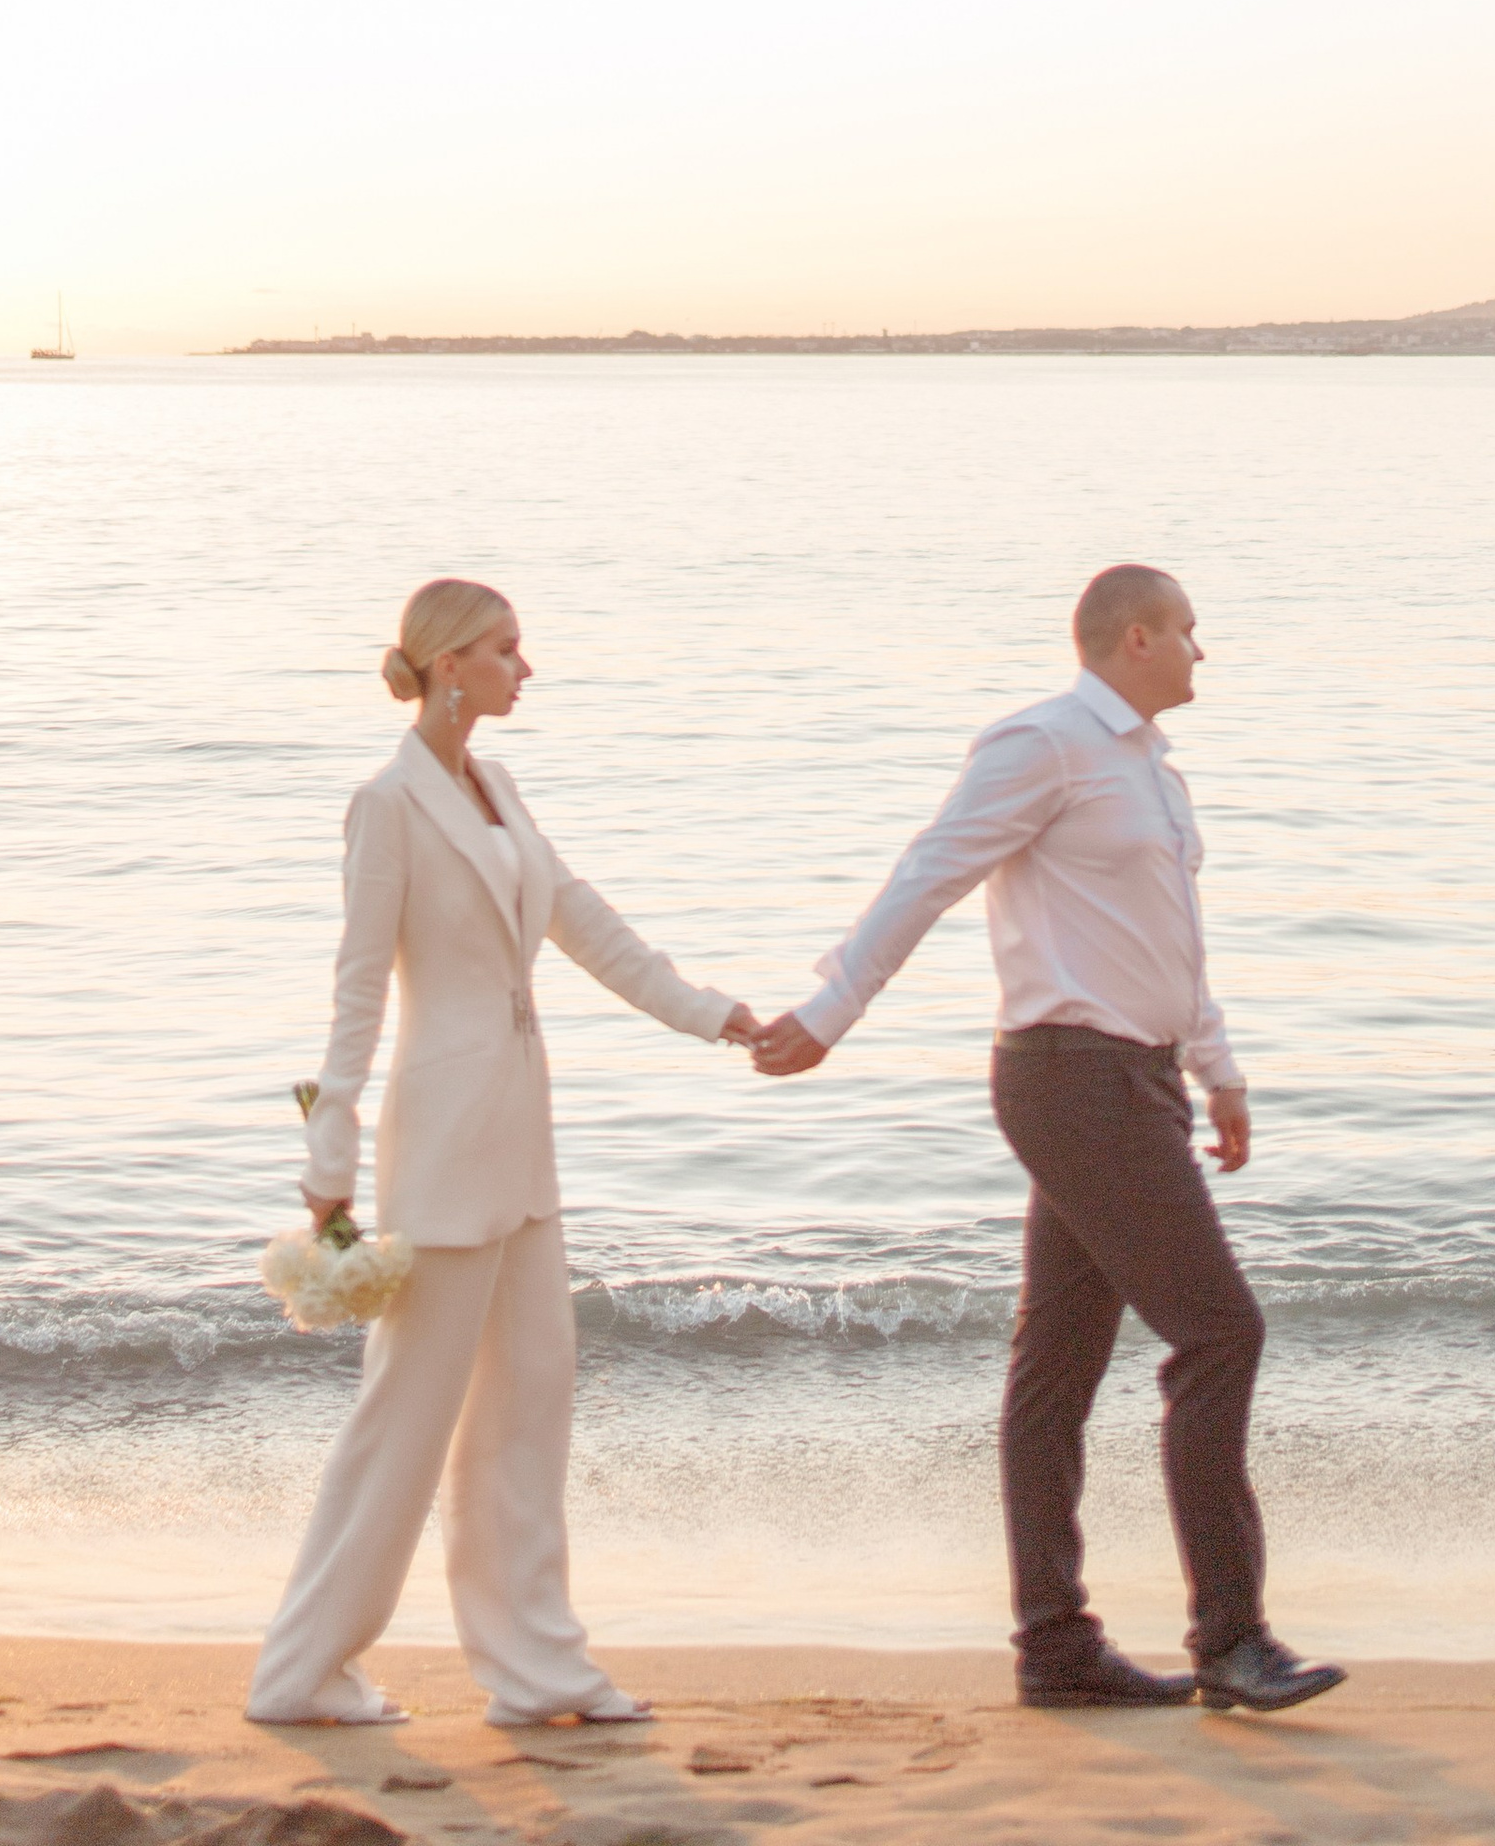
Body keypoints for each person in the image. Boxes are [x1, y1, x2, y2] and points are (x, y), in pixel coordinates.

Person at [750, 564, 1343, 1717]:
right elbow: (930, 872)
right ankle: (1232, 1639)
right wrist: (830, 1012)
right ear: (1134, 639)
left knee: (1056, 1369)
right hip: (1070, 1080)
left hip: (1139, 1078)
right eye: (1187, 631)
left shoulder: (1152, 775)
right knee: (1220, 1334)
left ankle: (1054, 1650)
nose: (1200, 652)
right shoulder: (1045, 743)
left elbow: (1166, 944)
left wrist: (1217, 1070)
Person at [248, 578, 759, 1728]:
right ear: (446, 668)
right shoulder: (387, 805)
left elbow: (588, 925)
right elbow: (357, 984)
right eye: (504, 650)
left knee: (529, 1408)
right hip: (439, 1145)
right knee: (406, 1420)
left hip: (522, 1145)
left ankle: (536, 1671)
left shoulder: (501, 789)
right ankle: (301, 1672)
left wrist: (714, 1014)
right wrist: (329, 1144)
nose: (525, 668)